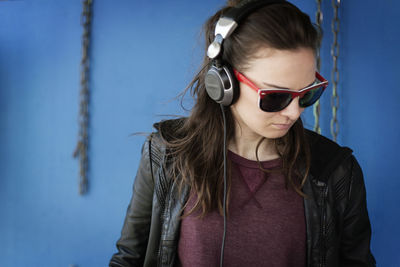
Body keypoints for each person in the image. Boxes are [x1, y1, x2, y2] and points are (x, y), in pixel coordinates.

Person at [109, 0, 376, 266]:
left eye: (308, 93)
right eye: (276, 96)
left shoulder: (336, 171)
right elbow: (128, 260)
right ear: (223, 83)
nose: (295, 113)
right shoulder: (166, 155)